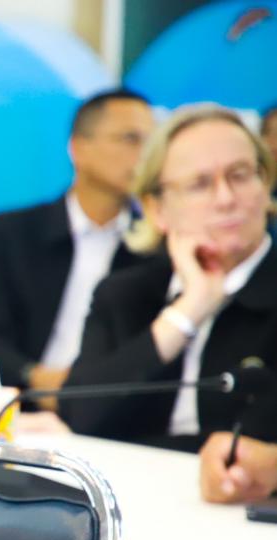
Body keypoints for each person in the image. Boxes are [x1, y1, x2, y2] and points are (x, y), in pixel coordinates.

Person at [62, 104, 277, 449]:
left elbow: (255, 443)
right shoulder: (124, 293)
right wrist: (187, 312)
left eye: (240, 175)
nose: (226, 199)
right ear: (157, 209)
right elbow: (80, 416)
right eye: (200, 184)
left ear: (265, 185)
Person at [0, 89, 154, 406]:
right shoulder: (13, 233)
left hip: (108, 412)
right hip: (18, 403)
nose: (145, 156)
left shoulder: (153, 248)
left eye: (152, 144)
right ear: (79, 148)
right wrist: (33, 377)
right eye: (130, 139)